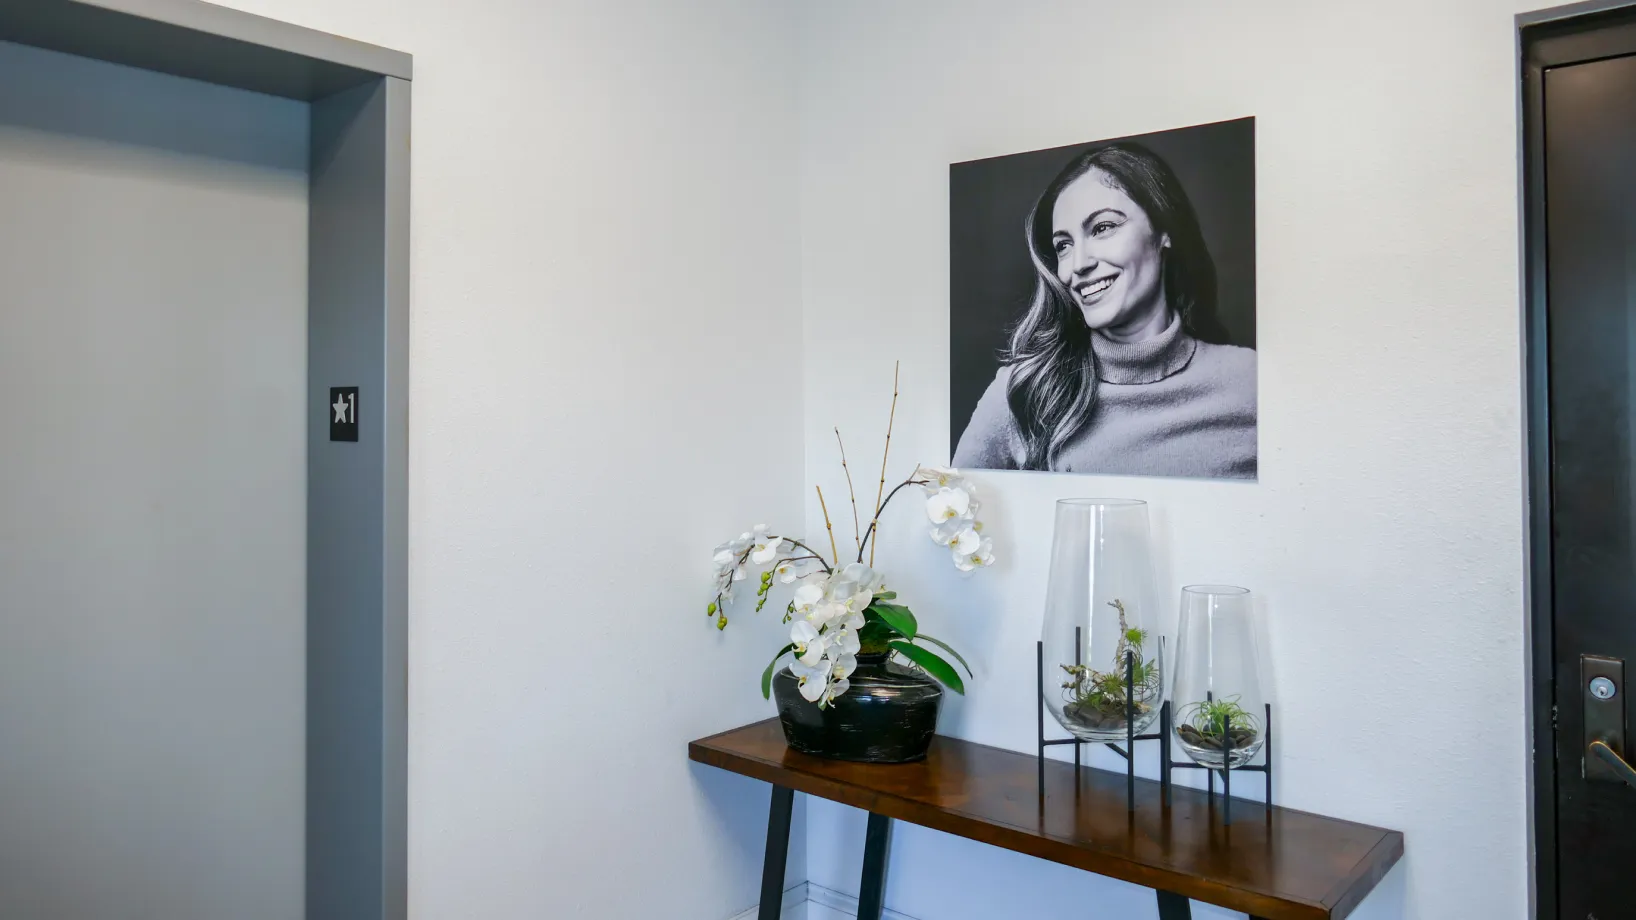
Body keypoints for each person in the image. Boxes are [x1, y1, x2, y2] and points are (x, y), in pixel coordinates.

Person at [952, 142, 1256, 478]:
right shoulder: (1021, 393)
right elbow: (951, 520)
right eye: (1063, 246)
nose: (1076, 266)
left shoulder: (1250, 381)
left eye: (1102, 228)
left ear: (1164, 231)